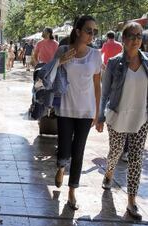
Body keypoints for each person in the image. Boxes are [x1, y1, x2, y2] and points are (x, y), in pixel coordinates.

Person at [96, 22, 148, 220]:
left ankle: (132, 201)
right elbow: (105, 92)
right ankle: (109, 172)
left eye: (139, 36)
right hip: (117, 115)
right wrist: (100, 116)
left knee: (136, 160)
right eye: (132, 36)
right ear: (124, 40)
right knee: (116, 151)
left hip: (141, 117)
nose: (136, 40)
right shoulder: (114, 63)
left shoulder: (147, 62)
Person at [53, 15, 102, 210]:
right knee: (64, 146)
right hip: (65, 107)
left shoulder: (96, 55)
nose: (92, 34)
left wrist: (97, 112)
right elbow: (50, 74)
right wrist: (59, 61)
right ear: (78, 31)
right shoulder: (63, 50)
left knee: (79, 150)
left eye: (94, 31)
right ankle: (61, 167)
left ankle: (72, 190)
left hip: (86, 110)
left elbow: (97, 84)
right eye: (89, 30)